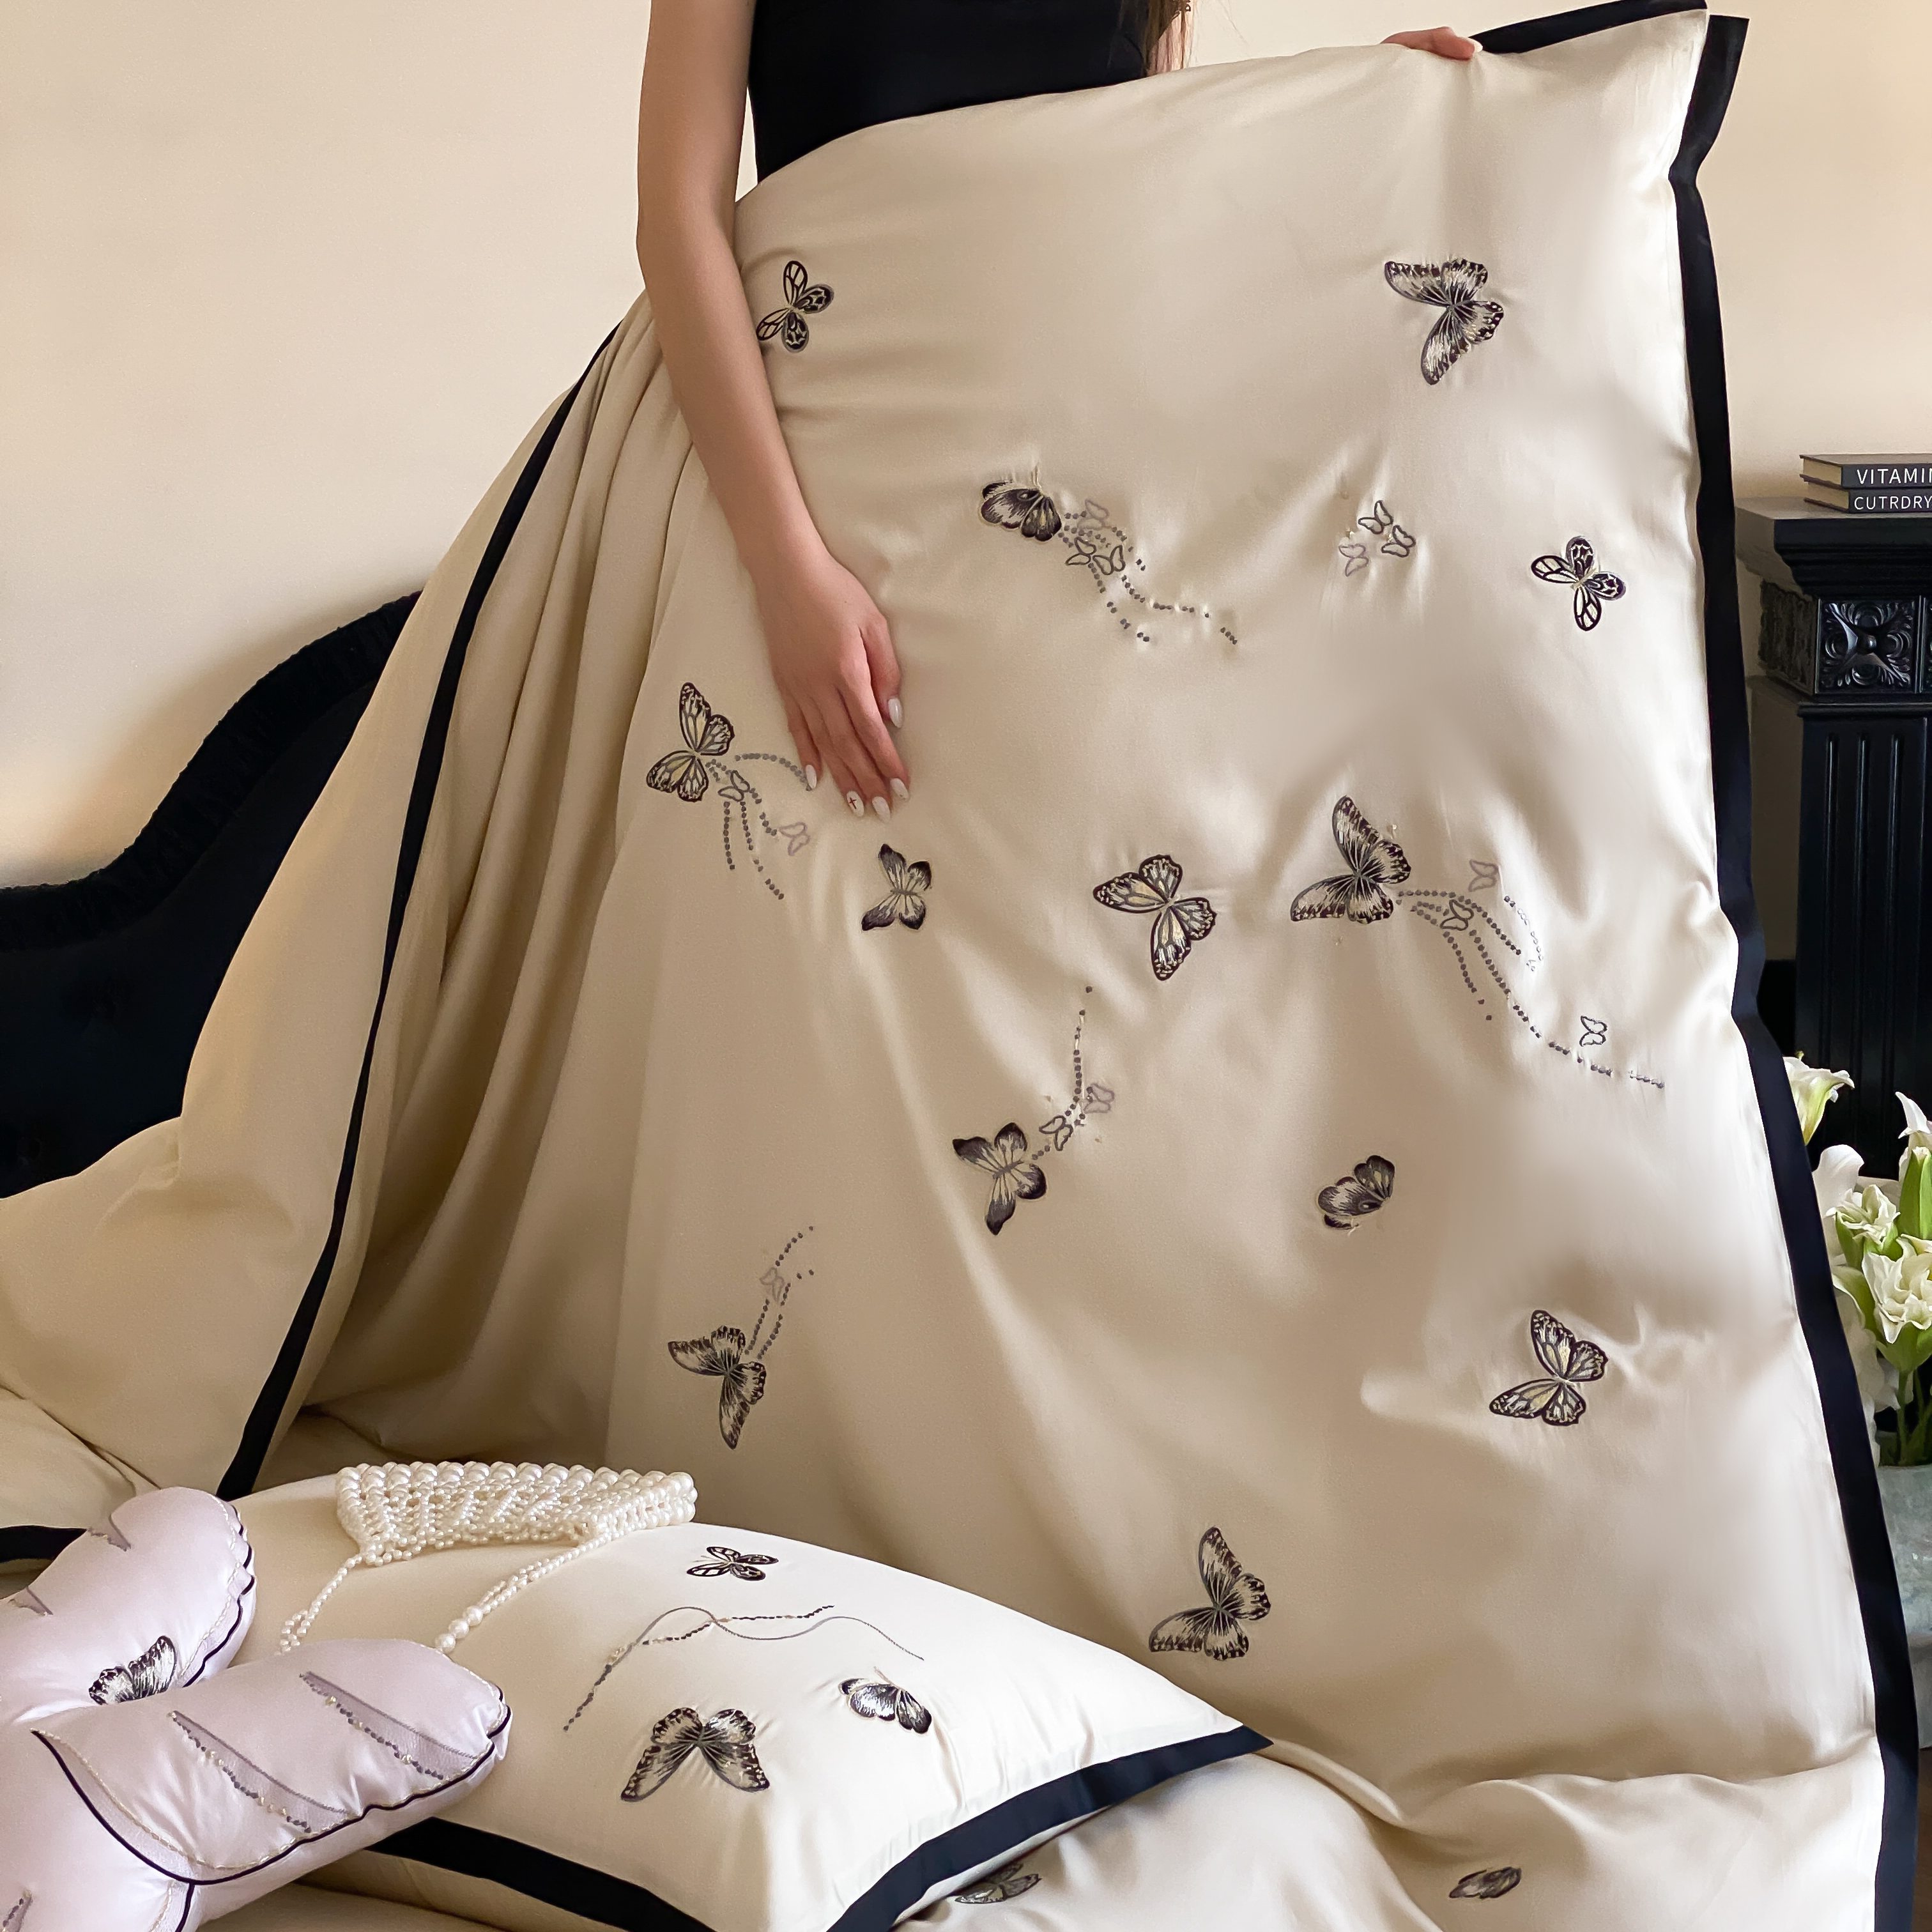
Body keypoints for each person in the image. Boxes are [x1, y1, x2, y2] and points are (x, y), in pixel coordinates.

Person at [634, 3, 1477, 824]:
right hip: (819, 507)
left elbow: (1150, 186)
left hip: (1059, 519)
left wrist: (1362, 115)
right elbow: (678, 219)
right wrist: (785, 570)